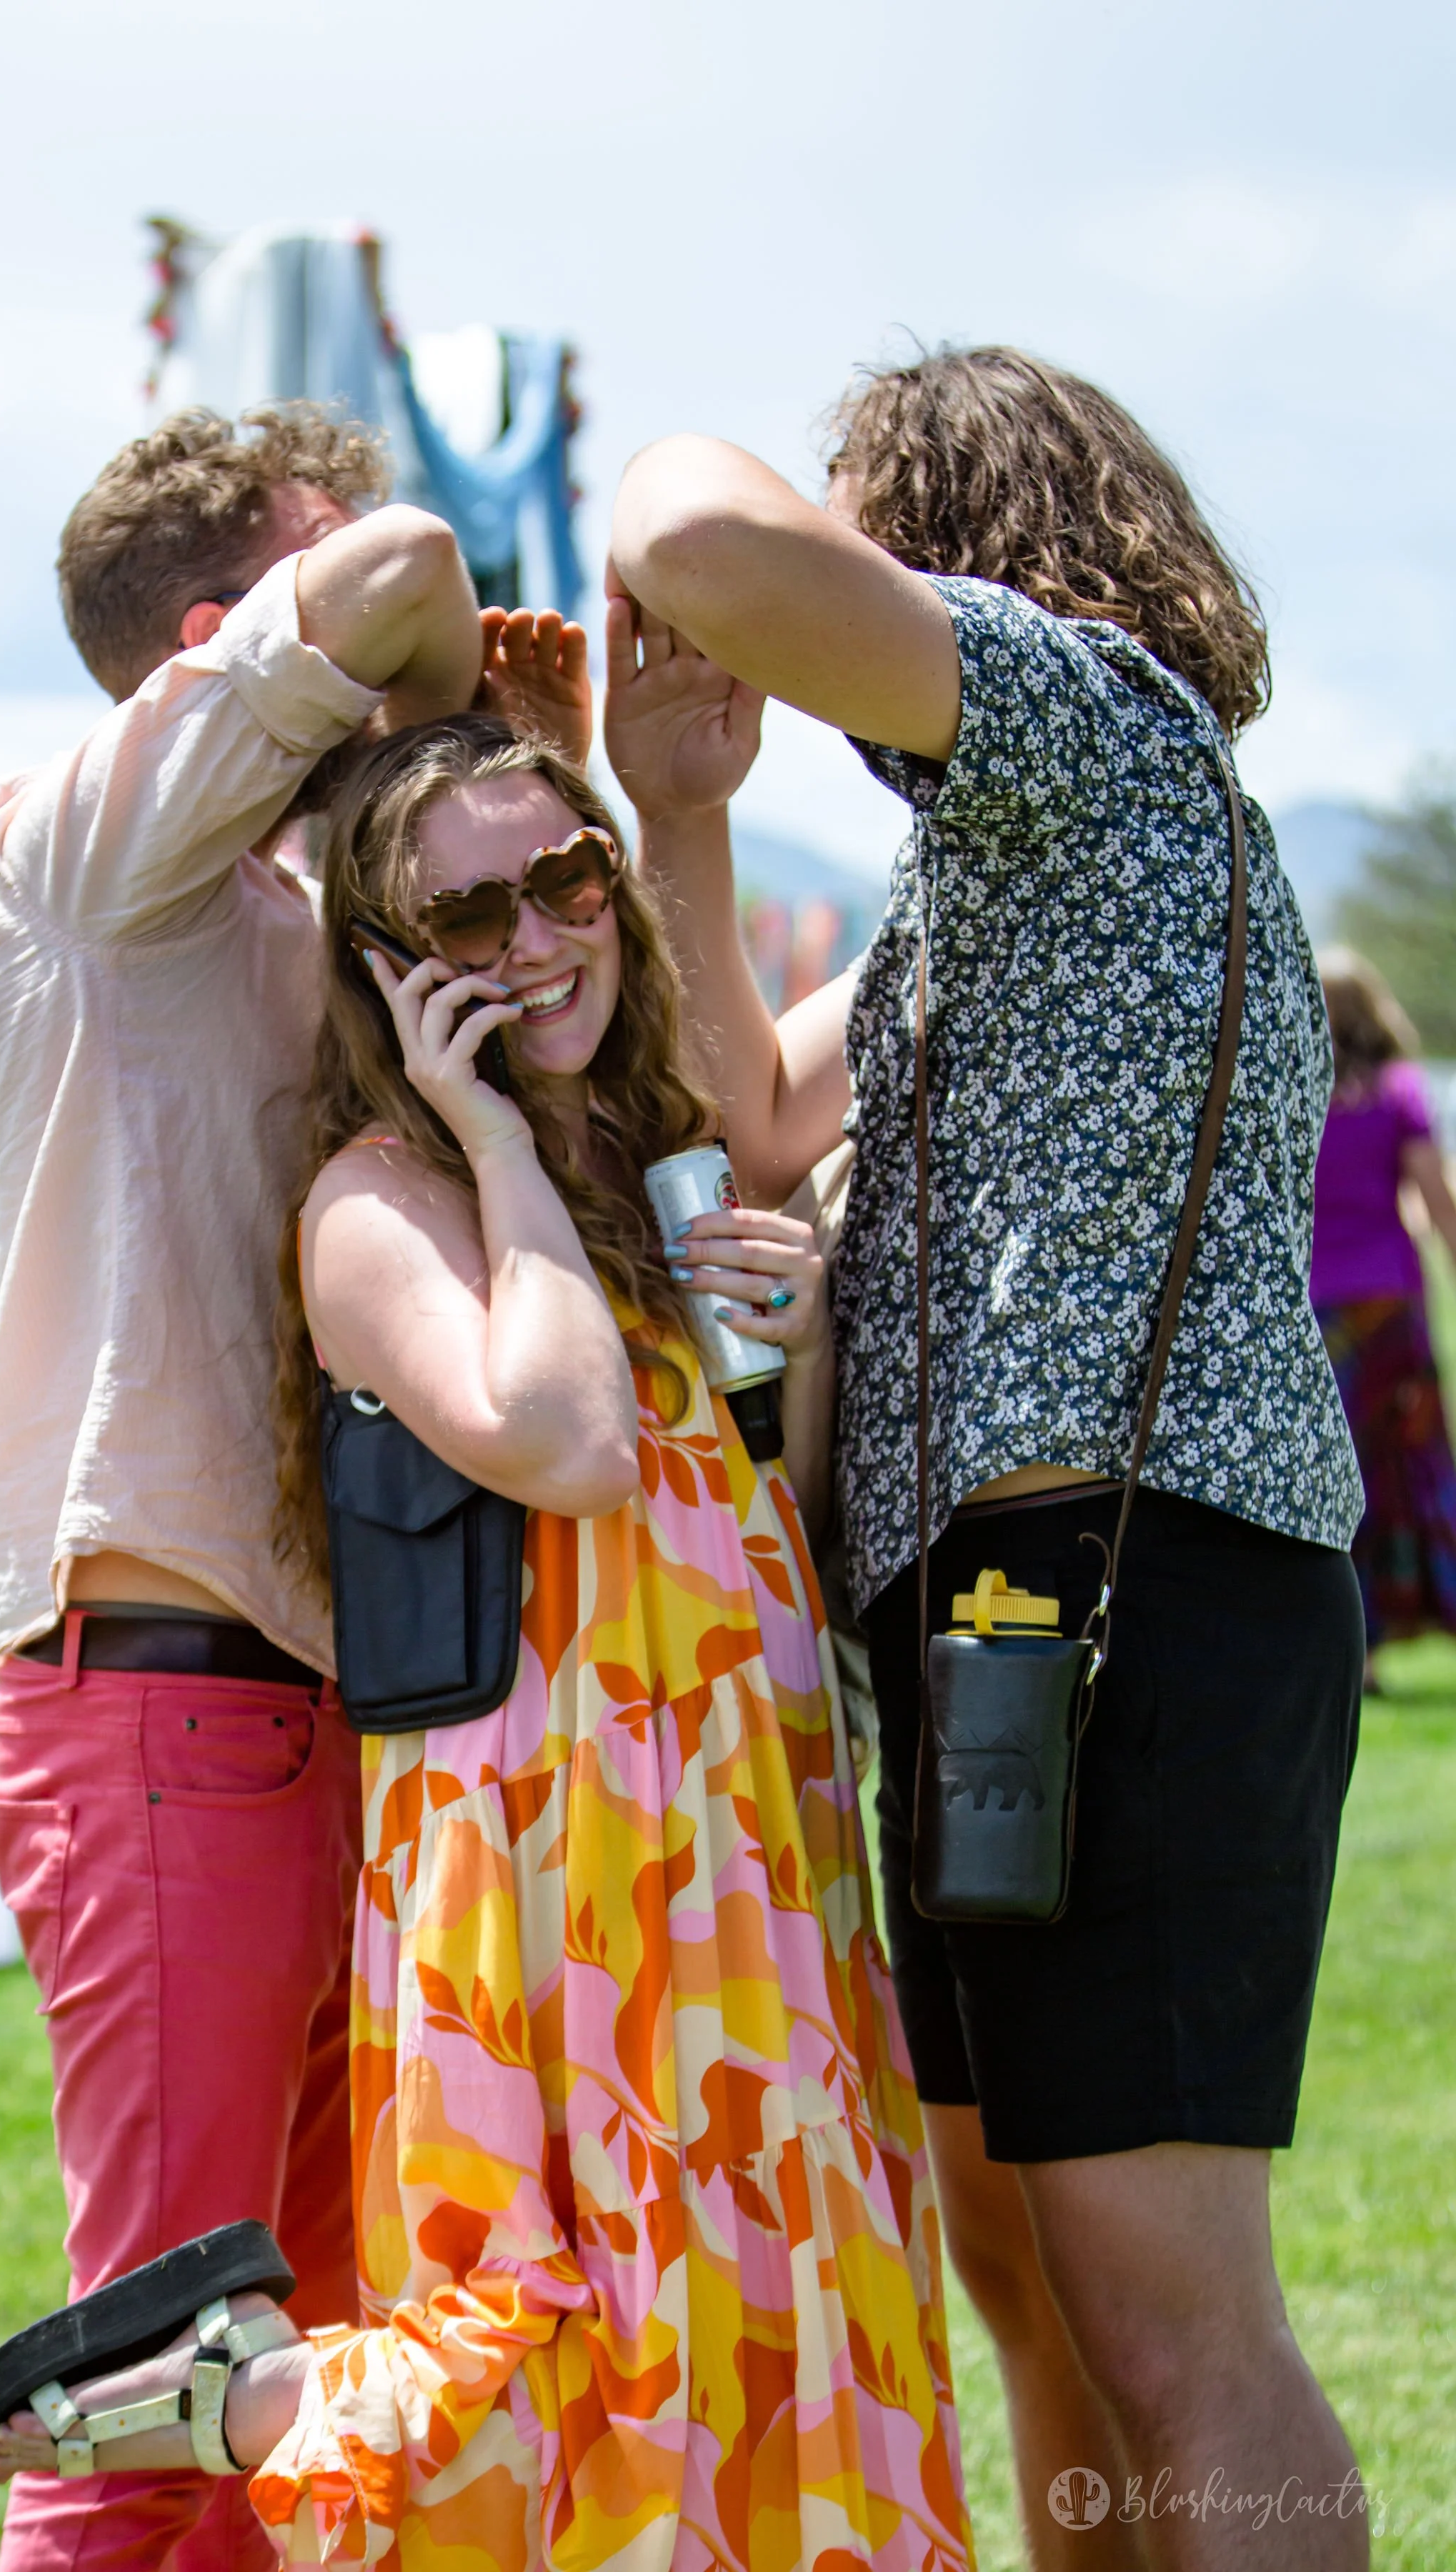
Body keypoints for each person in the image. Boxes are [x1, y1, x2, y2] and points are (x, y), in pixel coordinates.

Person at [0, 709, 974, 2572]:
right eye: (470, 915)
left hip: (743, 1829)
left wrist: (805, 1329)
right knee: (559, 2317)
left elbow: (765, 1525)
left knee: (776, 2282)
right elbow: (572, 1446)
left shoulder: (659, 1179)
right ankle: (239, 2391)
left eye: (568, 878)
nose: (539, 935)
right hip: (540, 1847)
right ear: (394, 971)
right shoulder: (379, 1205)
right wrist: (495, 1139)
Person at [603, 347, 1370, 2571]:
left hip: (1141, 1589)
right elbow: (750, 1114)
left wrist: (715, 524)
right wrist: (681, 812)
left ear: (946, 535)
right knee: (1027, 2283)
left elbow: (688, 537)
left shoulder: (1081, 709)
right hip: (1003, 1620)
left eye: (865, 531)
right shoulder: (990, 853)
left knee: (1162, 2320)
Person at [0, 403, 589, 2572]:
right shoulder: (61, 840)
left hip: (312, 1704)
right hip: (160, 1689)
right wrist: (437, 685)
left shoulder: (300, 898)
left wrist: (533, 779)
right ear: (223, 641)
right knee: (161, 2396)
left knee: (293, 2406)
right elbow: (401, 557)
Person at [1312, 949, 1456, 1684]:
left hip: (1315, 1311)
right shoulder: (1401, 1093)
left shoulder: (1296, 1092)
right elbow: (1436, 1197)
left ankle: (1357, 1644)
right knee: (1409, 1461)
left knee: (1342, 1472)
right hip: (1390, 1306)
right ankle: (1422, 1613)